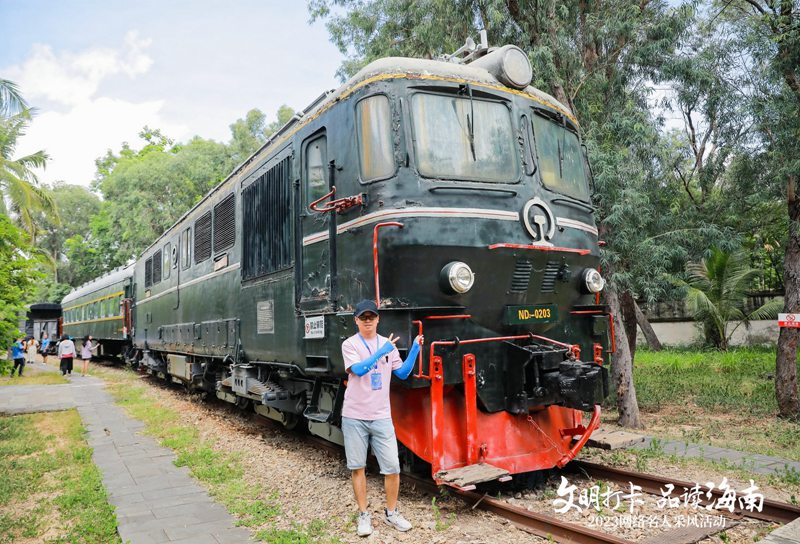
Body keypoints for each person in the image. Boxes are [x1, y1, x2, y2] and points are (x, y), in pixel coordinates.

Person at [341, 299, 423, 537]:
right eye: (363, 317)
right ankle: (364, 515)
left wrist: (416, 348)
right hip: (354, 415)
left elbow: (403, 373)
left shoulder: (388, 346)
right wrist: (382, 352)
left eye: (372, 317)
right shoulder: (350, 344)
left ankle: (392, 513)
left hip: (381, 416)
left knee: (392, 468)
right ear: (356, 320)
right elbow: (358, 370)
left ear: (378, 319)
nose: (368, 321)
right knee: (358, 467)